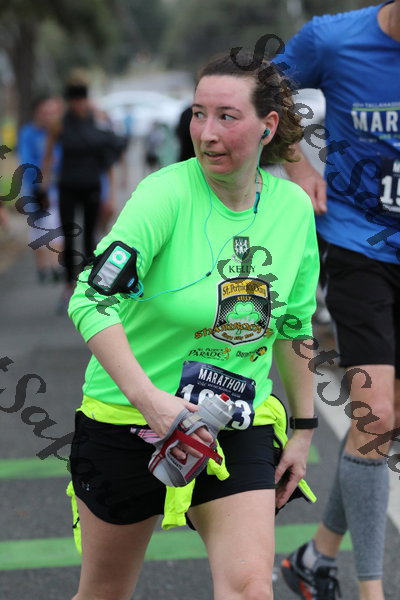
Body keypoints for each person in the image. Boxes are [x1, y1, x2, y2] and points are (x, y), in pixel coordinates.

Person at [67, 52, 320, 600]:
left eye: (227, 117)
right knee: (105, 591)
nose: (207, 133)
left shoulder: (293, 209)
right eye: (199, 114)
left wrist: (303, 430)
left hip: (234, 422)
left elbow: (295, 326)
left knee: (251, 588)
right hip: (129, 420)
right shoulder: (164, 195)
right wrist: (151, 401)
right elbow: (91, 299)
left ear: (267, 126)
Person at [275, 3, 400, 599]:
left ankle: (314, 557)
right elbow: (264, 89)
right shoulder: (333, 39)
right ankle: (372, 590)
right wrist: (297, 165)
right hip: (357, 244)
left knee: (386, 421)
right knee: (375, 416)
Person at [42, 81, 120, 309]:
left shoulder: (97, 121)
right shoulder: (60, 124)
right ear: (69, 102)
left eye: (82, 99)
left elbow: (108, 158)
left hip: (91, 185)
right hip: (67, 185)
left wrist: (111, 194)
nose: (79, 104)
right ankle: (69, 284)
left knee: (89, 237)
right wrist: (44, 186)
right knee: (68, 235)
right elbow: (48, 154)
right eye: (75, 100)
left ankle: (87, 285)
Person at [17, 95, 64, 283]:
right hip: (32, 190)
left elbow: (60, 160)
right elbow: (27, 162)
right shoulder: (28, 133)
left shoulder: (56, 133)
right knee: (37, 229)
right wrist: (46, 166)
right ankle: (42, 267)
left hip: (53, 189)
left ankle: (56, 265)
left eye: (51, 113)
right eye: (45, 112)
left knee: (55, 225)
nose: (48, 116)